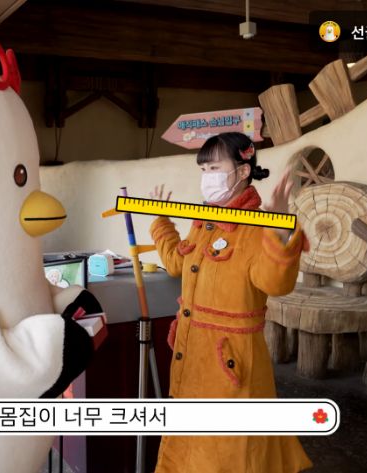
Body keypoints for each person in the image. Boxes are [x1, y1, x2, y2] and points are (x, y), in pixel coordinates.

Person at [149, 132, 312, 472]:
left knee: (232, 451)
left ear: (242, 171)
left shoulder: (257, 226)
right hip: (192, 356)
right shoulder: (205, 221)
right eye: (203, 169)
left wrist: (279, 229)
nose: (207, 176)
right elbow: (178, 263)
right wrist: (161, 222)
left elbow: (276, 283)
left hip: (231, 364)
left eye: (214, 167)